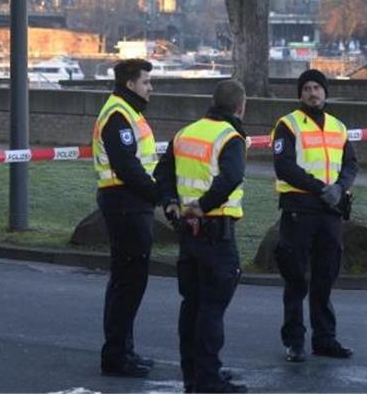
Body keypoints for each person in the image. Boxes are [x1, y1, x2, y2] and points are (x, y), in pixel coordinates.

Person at [155, 79, 249, 394]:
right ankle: (209, 379)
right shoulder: (230, 137)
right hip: (216, 233)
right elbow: (232, 177)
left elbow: (163, 171)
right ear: (240, 107)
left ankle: (193, 376)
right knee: (212, 309)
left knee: (191, 305)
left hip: (188, 236)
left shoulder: (185, 133)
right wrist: (202, 206)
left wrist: (171, 202)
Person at [272, 68, 358, 363]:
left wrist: (340, 187)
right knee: (296, 279)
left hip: (330, 212)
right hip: (299, 210)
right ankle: (294, 341)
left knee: (325, 278)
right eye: (307, 88)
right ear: (300, 94)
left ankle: (325, 339)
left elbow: (351, 164)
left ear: (325, 92)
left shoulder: (338, 127)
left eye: (317, 88)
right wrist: (321, 188)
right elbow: (284, 167)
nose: (312, 93)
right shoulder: (288, 125)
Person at [92, 58, 159, 378]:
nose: (151, 88)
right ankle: (117, 356)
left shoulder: (128, 112)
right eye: (146, 82)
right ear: (131, 84)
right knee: (128, 282)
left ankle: (123, 351)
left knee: (128, 281)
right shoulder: (118, 115)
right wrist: (157, 194)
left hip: (130, 202)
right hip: (125, 202)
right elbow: (127, 166)